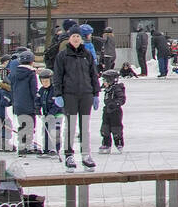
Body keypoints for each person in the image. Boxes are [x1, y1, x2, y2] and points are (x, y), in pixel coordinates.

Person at [54, 27, 100, 170]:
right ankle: (69, 154)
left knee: (84, 126)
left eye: (78, 36)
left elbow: (93, 74)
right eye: (73, 36)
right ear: (69, 38)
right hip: (69, 95)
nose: (75, 39)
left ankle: (86, 155)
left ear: (81, 39)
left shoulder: (87, 54)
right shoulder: (63, 55)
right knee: (71, 126)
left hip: (86, 94)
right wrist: (58, 94)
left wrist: (96, 93)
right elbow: (58, 76)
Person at [7, 49, 40, 155]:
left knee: (22, 124)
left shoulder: (14, 73)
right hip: (29, 104)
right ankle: (28, 145)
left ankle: (21, 146)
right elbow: (33, 90)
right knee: (30, 125)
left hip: (18, 104)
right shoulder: (31, 73)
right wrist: (37, 102)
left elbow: (11, 87)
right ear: (31, 61)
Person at [97, 69, 126, 154]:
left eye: (105, 80)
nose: (103, 82)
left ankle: (119, 143)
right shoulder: (107, 88)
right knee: (105, 128)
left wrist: (115, 104)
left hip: (115, 112)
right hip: (107, 111)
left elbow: (122, 99)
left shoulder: (117, 88)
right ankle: (106, 144)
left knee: (116, 128)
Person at [37, 68, 62, 156]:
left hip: (56, 115)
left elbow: (58, 104)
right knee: (46, 131)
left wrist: (51, 113)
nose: (45, 83)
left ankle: (55, 149)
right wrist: (37, 108)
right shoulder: (41, 90)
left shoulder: (55, 90)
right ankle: (46, 148)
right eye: (43, 81)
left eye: (47, 81)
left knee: (54, 132)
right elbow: (37, 99)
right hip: (46, 114)